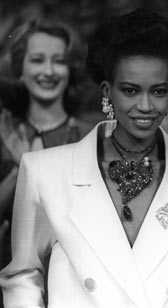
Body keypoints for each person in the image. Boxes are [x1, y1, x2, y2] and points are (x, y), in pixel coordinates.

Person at [0, 9, 168, 308]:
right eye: (130, 90)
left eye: (159, 91)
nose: (146, 105)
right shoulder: (45, 171)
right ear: (107, 92)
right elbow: (22, 277)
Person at [0, 19, 97, 272]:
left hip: (74, 274)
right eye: (37, 60)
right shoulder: (4, 132)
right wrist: (20, 170)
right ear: (19, 67)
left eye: (59, 61)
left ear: (71, 70)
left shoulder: (91, 134)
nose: (49, 71)